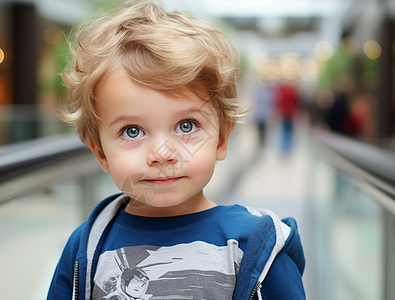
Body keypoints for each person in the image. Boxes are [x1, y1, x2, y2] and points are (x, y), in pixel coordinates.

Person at [47, 2, 305, 299]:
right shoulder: (86, 249)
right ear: (101, 153)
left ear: (221, 139)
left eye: (186, 126)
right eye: (132, 131)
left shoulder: (256, 247)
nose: (162, 153)